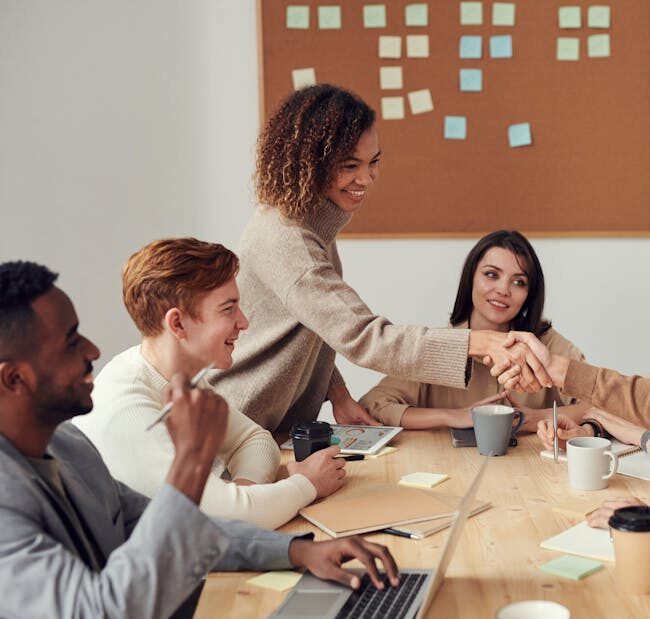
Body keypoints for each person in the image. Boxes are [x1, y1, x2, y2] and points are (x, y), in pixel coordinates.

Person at [0, 260, 399, 619]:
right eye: (72, 341)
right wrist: (191, 461)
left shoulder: (66, 446)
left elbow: (180, 526)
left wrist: (296, 551)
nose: (93, 349)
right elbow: (102, 611)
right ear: (14, 378)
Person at [209, 84, 551, 433]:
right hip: (237, 427)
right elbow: (364, 336)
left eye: (374, 162)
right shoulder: (289, 240)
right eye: (349, 165)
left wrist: (338, 393)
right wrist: (477, 342)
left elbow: (316, 326)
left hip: (269, 429)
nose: (366, 178)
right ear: (310, 164)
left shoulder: (309, 224)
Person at [73, 239, 344, 530]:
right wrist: (306, 484)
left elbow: (254, 440)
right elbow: (225, 522)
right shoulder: (128, 409)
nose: (243, 322)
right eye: (228, 309)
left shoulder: (178, 376)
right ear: (177, 324)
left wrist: (244, 495)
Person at [359, 230, 587, 432]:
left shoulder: (547, 345)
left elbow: (604, 405)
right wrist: (454, 416)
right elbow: (373, 405)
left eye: (519, 282)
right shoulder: (438, 346)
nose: (503, 290)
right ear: (471, 279)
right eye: (491, 275)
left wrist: (538, 418)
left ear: (530, 294)